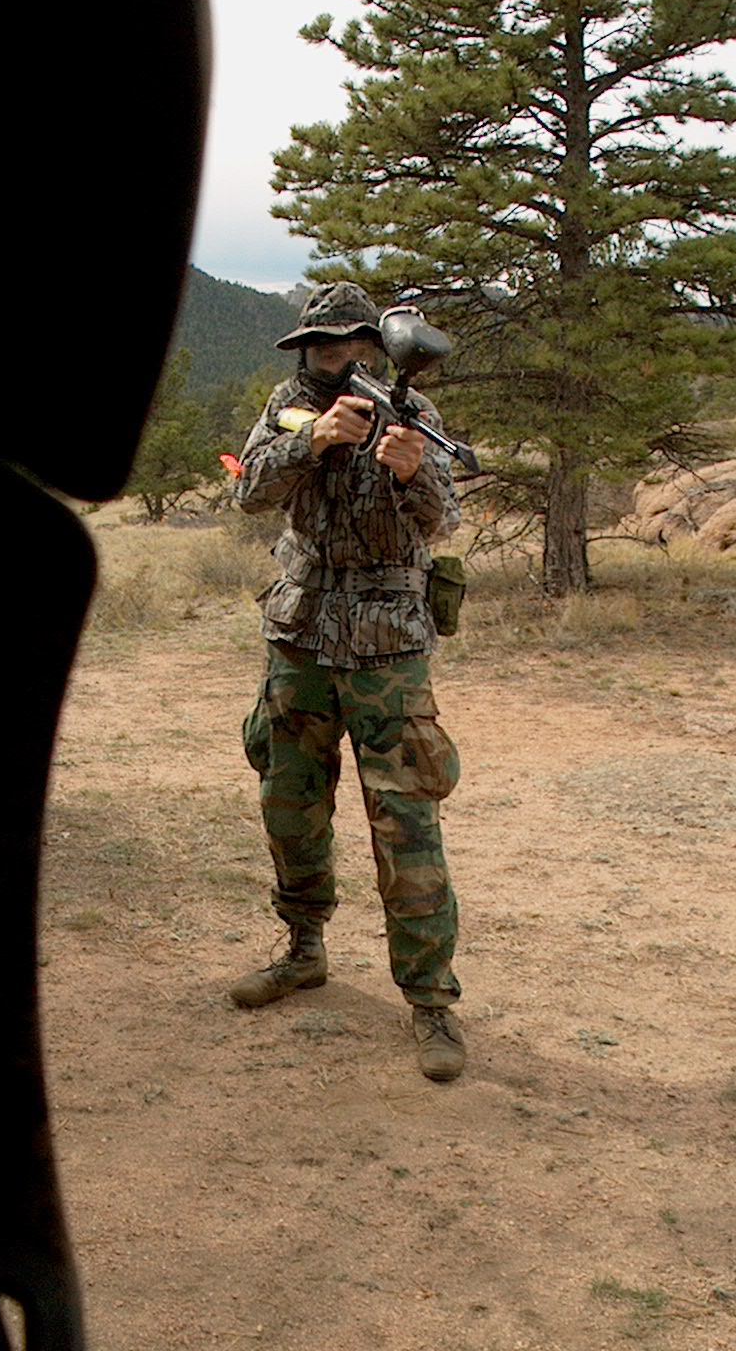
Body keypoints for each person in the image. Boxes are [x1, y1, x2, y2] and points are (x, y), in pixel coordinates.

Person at [229, 282, 466, 1082]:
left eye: (351, 345)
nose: (336, 359)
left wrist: (411, 475)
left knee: (407, 824)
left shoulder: (412, 413)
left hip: (388, 648)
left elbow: (444, 519)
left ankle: (430, 1000)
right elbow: (247, 492)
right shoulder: (288, 406)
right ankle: (304, 950)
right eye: (322, 347)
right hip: (299, 637)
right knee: (290, 803)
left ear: (376, 346)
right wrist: (313, 443)